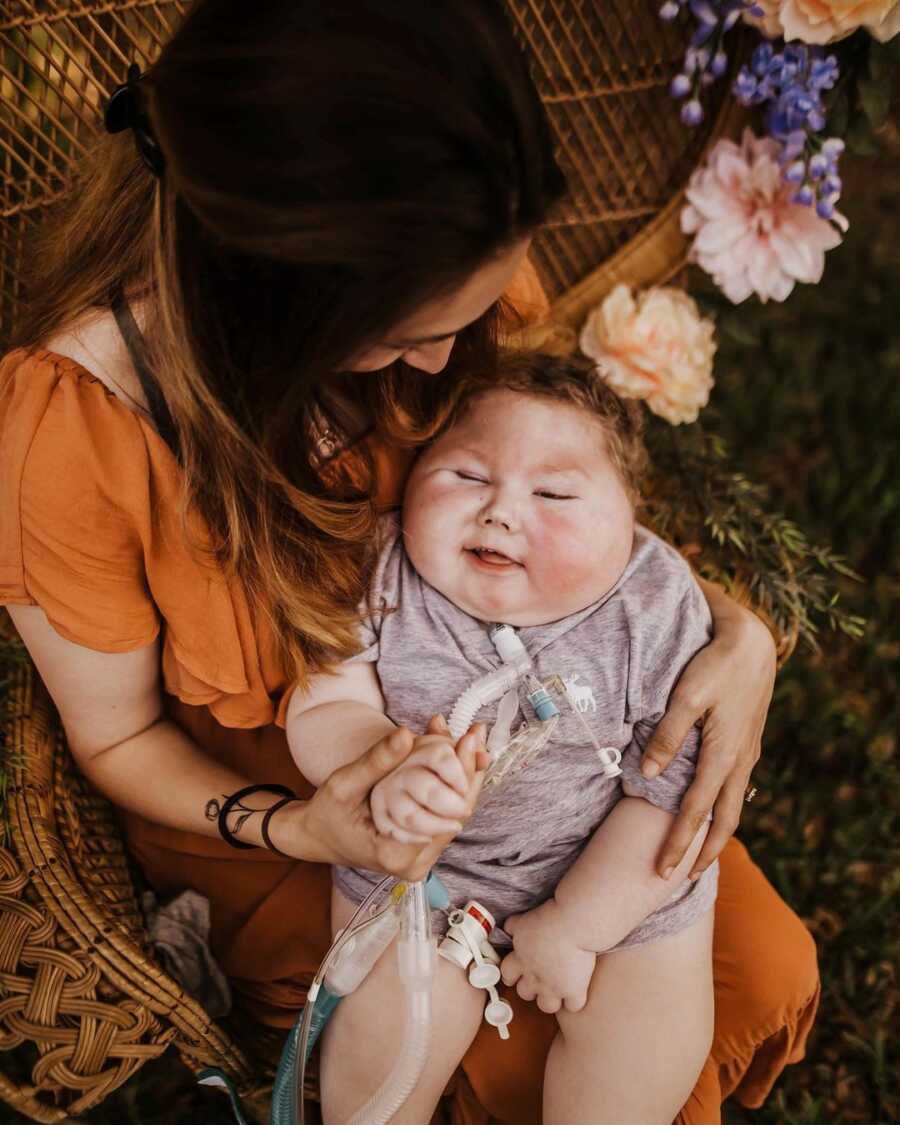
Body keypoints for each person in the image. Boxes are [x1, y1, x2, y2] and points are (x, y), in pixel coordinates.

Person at [0, 2, 818, 1121]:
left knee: (744, 975)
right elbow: (119, 737)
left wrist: (735, 634)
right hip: (284, 794)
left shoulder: (447, 257)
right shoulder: (75, 430)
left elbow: (546, 514)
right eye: (406, 337)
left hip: (532, 754)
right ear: (278, 292)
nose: (446, 362)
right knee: (464, 1061)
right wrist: (313, 825)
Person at [288, 353, 718, 1123]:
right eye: (465, 477)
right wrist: (381, 765)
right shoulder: (380, 569)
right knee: (375, 1069)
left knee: (646, 1039)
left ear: (630, 520)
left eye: (552, 493)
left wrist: (579, 924)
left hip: (614, 862)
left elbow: (675, 789)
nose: (501, 511)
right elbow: (322, 701)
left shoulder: (653, 602)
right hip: (422, 872)